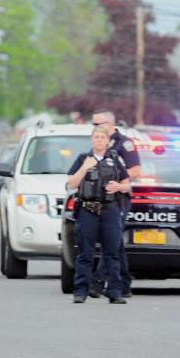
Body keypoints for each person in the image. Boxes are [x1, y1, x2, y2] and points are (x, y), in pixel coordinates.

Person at [67, 125, 132, 304]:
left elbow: (127, 185)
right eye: (96, 137)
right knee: (85, 253)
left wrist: (119, 187)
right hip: (88, 210)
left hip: (110, 210)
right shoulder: (83, 159)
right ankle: (80, 292)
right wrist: (85, 168)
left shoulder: (115, 159)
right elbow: (71, 183)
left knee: (112, 253)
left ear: (108, 141)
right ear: (92, 139)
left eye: (102, 138)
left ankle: (115, 292)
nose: (99, 141)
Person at [89, 109, 141, 298]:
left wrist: (114, 176)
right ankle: (124, 283)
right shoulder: (98, 142)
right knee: (114, 241)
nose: (94, 127)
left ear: (110, 124)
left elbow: (136, 171)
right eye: (93, 124)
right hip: (99, 198)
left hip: (118, 198)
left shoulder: (124, 144)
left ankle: (97, 282)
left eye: (97, 124)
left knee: (111, 240)